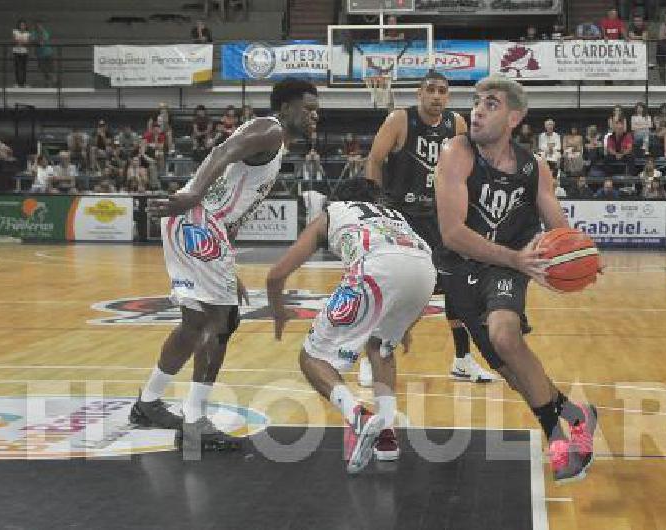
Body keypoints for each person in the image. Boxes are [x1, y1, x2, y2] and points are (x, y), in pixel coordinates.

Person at [129, 79, 320, 453]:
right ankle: (195, 421)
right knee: (223, 321)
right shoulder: (269, 129)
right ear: (285, 109)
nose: (316, 115)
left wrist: (227, 267)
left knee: (195, 323)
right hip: (197, 217)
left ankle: (148, 403)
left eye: (317, 109)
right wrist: (192, 194)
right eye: (308, 108)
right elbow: (224, 152)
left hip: (202, 224)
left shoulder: (275, 142)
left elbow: (232, 204)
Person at [435, 74, 598, 483]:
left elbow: (560, 227)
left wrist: (584, 255)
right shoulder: (456, 152)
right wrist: (516, 257)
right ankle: (576, 415)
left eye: (490, 103)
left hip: (509, 265)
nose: (477, 109)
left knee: (506, 338)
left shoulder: (534, 168)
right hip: (462, 266)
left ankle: (557, 440)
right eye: (475, 101)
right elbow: (452, 233)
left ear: (514, 117)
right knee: (509, 369)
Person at [267, 178, 436, 473]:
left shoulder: (332, 212)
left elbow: (276, 274)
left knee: (311, 357)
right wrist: (405, 324)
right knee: (381, 347)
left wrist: (279, 311)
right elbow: (408, 263)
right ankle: (386, 437)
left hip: (377, 266)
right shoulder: (394, 215)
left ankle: (357, 415)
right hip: (424, 271)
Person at [365, 70, 496, 387]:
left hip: (441, 220)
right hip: (402, 218)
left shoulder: (457, 124)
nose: (437, 96)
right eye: (431, 90)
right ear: (419, 93)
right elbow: (373, 160)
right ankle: (373, 358)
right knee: (395, 291)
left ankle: (463, 360)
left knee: (459, 291)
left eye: (443, 91)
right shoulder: (400, 120)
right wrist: (375, 206)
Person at [33, 21, 54, 87]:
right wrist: (38, 41)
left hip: (48, 53)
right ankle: (49, 81)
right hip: (40, 55)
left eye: (40, 25)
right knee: (43, 69)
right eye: (37, 25)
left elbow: (44, 39)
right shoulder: (34, 33)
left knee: (50, 69)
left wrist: (40, 41)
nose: (39, 27)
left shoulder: (44, 32)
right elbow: (33, 40)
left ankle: (51, 81)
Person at [12, 20, 31, 88]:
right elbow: (14, 40)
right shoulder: (15, 31)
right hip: (16, 52)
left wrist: (20, 42)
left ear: (25, 26)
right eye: (21, 25)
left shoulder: (27, 33)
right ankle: (17, 83)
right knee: (17, 68)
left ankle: (24, 83)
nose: (22, 26)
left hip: (24, 52)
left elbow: (27, 42)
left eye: (23, 25)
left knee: (24, 68)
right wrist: (22, 41)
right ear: (19, 26)